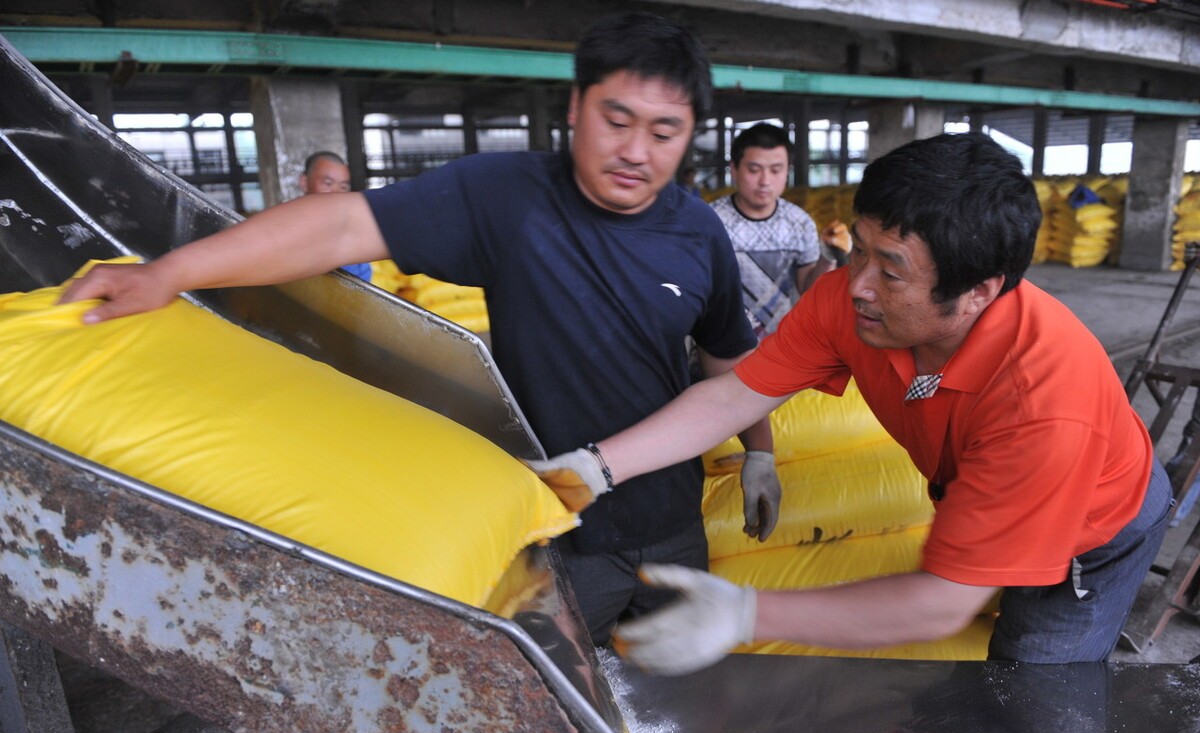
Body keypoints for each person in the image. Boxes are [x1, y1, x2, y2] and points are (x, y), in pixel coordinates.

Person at [58, 12, 779, 648]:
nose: (635, 151)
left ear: (690, 135)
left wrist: (759, 456)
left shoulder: (697, 231)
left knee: (681, 701)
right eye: (616, 120)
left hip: (672, 522)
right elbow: (341, 223)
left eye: (663, 132)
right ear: (575, 106)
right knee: (562, 708)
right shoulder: (509, 199)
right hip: (558, 526)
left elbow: (728, 360)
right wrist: (171, 272)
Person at [531, 132, 1174, 671]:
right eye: (857, 250)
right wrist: (597, 465)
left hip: (1093, 532)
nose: (857, 284)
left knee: (1029, 687)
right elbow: (733, 395)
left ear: (977, 292)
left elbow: (943, 602)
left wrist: (745, 613)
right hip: (991, 484)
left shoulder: (1043, 403)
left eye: (890, 270)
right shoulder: (854, 300)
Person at [710, 123, 848, 339]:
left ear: (787, 172)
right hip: (721, 345)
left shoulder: (799, 222)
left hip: (780, 347)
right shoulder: (711, 221)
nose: (765, 181)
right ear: (734, 169)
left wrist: (827, 257)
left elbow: (808, 289)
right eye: (754, 170)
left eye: (776, 170)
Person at [298, 151, 374, 282]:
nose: (336, 193)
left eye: (343, 186)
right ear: (305, 182)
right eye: (328, 183)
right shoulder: (287, 227)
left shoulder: (353, 239)